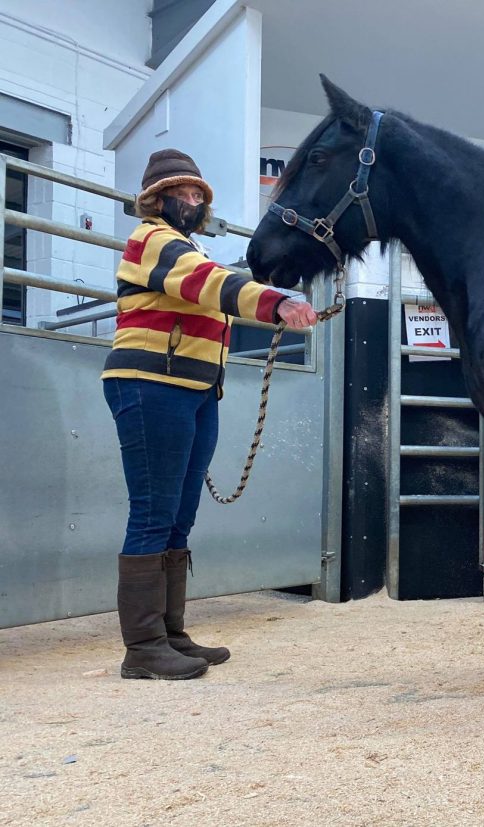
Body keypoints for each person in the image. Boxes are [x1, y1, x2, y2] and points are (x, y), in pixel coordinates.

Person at [100, 149, 318, 680]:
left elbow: (207, 285)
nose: (193, 201)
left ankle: (169, 635)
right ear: (157, 199)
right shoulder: (154, 240)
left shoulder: (183, 246)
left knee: (178, 515)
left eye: (199, 195)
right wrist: (275, 303)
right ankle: (143, 646)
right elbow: (207, 284)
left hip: (191, 387)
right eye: (184, 193)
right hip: (154, 384)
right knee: (155, 512)